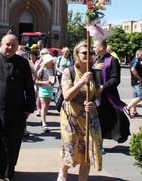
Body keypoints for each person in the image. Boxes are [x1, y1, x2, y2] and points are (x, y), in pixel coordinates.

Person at [0, 34, 35, 181]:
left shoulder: (23, 63)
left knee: (11, 142)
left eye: (13, 45)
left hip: (16, 110)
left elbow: (29, 86)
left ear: (17, 47)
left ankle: (7, 172)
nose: (10, 48)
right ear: (1, 45)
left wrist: (30, 107)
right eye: (7, 44)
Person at [58, 40, 102, 181]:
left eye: (90, 53)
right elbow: (67, 96)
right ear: (77, 54)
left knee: (87, 155)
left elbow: (99, 98)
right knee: (71, 152)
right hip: (71, 118)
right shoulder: (69, 71)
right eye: (84, 53)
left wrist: (94, 104)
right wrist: (81, 82)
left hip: (90, 119)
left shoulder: (95, 73)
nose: (87, 55)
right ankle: (63, 173)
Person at [92, 40, 130, 153]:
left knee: (103, 120)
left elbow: (115, 79)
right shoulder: (94, 60)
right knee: (94, 119)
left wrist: (103, 87)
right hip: (93, 95)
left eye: (95, 47)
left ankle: (100, 144)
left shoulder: (112, 60)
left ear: (101, 47)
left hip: (106, 96)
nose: (93, 49)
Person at [35, 54, 56, 133]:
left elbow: (55, 79)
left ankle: (43, 119)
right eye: (50, 61)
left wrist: (53, 83)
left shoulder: (53, 69)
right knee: (43, 106)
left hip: (50, 88)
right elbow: (36, 81)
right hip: (43, 88)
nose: (51, 62)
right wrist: (45, 82)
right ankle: (44, 123)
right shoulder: (42, 70)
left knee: (47, 106)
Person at [125, 50, 142, 118]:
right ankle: (128, 107)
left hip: (134, 82)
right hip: (137, 82)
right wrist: (139, 78)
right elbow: (133, 69)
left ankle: (134, 111)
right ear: (137, 54)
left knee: (135, 97)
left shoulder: (135, 61)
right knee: (140, 96)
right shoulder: (136, 61)